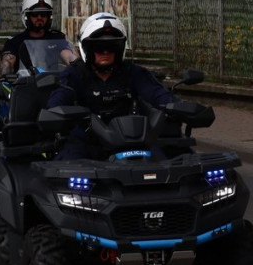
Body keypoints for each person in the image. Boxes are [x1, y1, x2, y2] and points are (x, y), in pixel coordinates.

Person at [46, 12, 174, 160]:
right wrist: (57, 113)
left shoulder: (133, 72)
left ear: (119, 49)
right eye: (99, 47)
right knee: (66, 170)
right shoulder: (74, 75)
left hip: (132, 140)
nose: (105, 52)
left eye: (111, 46)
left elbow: (157, 93)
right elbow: (57, 101)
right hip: (87, 141)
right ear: (87, 48)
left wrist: (176, 106)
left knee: (167, 164)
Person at [1, 0, 76, 76]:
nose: (39, 17)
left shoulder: (57, 38)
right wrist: (5, 76)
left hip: (54, 86)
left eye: (43, 14)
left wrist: (76, 63)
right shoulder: (15, 41)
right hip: (25, 87)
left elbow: (68, 54)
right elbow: (7, 63)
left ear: (49, 16)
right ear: (26, 17)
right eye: (35, 14)